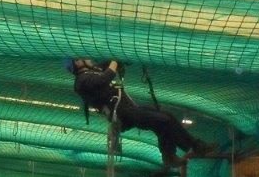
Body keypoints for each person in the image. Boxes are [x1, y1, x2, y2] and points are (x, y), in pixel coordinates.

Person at [68, 58, 211, 167]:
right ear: (78, 63)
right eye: (83, 58)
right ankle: (195, 146)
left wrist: (119, 59)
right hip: (123, 113)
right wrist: (114, 62)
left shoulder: (90, 74)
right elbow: (106, 76)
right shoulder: (81, 81)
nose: (88, 58)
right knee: (164, 120)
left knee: (164, 118)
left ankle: (169, 155)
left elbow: (104, 66)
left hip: (128, 110)